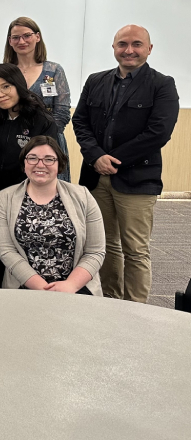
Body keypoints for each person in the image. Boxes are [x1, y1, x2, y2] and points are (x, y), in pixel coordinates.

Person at [72, 24, 179, 303]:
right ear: (113, 47)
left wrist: (114, 160)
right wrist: (96, 156)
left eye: (136, 44)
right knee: (104, 245)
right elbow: (80, 121)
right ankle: (110, 298)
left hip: (137, 178)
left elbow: (159, 132)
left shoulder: (162, 84)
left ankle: (136, 309)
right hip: (96, 177)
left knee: (135, 249)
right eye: (122, 44)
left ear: (149, 49)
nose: (129, 50)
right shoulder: (96, 80)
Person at [0, 136, 105, 295]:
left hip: (76, 288)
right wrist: (42, 288)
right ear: (24, 162)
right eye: (32, 158)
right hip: (25, 287)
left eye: (49, 159)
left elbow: (95, 252)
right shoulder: (4, 198)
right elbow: (6, 251)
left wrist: (70, 285)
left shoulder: (83, 196)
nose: (40, 164)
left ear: (59, 164)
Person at [0, 63, 58, 208]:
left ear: (18, 84)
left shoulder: (42, 120)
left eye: (6, 87)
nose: (0, 94)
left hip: (29, 196)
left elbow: (43, 165)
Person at [4, 16, 72, 181]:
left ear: (37, 37)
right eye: (16, 37)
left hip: (50, 142)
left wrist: (44, 141)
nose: (22, 41)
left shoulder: (54, 70)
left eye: (27, 35)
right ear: (10, 41)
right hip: (14, 143)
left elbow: (62, 111)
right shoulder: (4, 72)